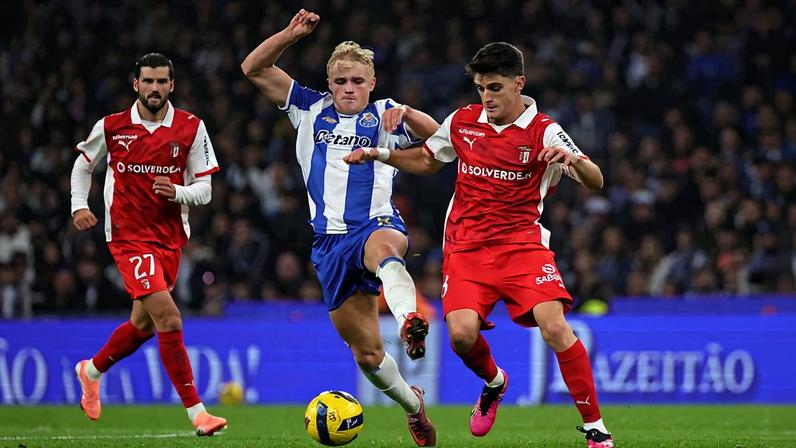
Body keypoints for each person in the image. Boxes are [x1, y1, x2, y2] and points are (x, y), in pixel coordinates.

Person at [345, 42, 615, 447]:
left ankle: (596, 429)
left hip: (523, 246)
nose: (486, 97)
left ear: (518, 83)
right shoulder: (463, 122)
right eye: (480, 88)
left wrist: (572, 160)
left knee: (555, 325)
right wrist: (380, 153)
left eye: (495, 87)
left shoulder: (544, 130)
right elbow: (426, 160)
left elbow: (597, 180)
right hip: (466, 249)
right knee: (461, 337)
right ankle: (494, 383)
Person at [240, 9, 439, 447]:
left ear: (372, 83)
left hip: (375, 223)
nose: (349, 89)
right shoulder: (308, 108)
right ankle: (413, 405)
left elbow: (442, 143)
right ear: (330, 84)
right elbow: (252, 68)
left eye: (358, 82)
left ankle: (409, 320)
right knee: (367, 354)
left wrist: (410, 113)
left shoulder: (387, 114)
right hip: (329, 243)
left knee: (386, 250)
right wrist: (290, 35)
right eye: (340, 81)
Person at [70, 53, 227, 436]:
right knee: (170, 318)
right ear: (135, 84)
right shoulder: (112, 127)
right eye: (148, 81)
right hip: (127, 236)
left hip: (169, 239)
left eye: (161, 82)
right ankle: (198, 413)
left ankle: (90, 370)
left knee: (142, 326)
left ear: (171, 85)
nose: (154, 88)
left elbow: (205, 190)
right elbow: (82, 164)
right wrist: (79, 205)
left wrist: (177, 192)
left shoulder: (191, 128)